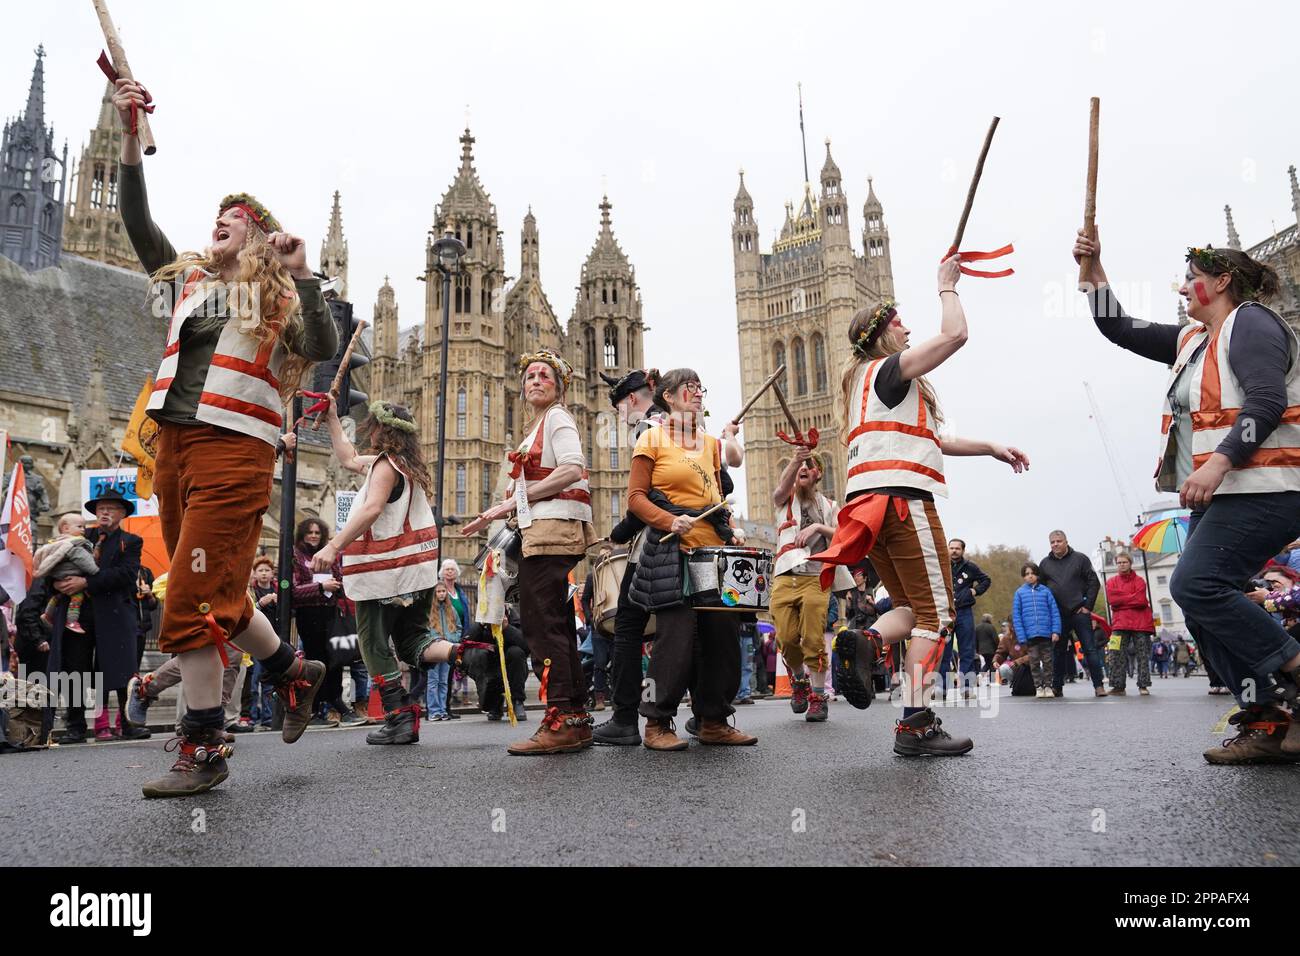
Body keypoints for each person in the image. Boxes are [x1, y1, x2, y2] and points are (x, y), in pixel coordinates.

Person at [111, 76, 338, 795]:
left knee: (188, 599)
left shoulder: (271, 298)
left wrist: (302, 274)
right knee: (216, 591)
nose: (218, 220)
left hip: (235, 452)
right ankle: (292, 672)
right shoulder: (188, 285)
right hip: (175, 448)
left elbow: (323, 341)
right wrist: (127, 135)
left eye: (233, 217)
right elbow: (140, 225)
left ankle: (203, 748)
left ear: (259, 237)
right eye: (216, 214)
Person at [1077, 229, 1300, 763]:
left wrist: (1220, 461)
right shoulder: (1193, 340)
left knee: (1196, 583)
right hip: (1223, 494)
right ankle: (1270, 717)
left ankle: (1292, 672)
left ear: (1222, 282)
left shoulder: (1252, 324)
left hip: (1269, 485)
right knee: (1199, 604)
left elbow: (1266, 400)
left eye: (1192, 280)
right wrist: (1094, 275)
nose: (1182, 288)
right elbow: (1121, 328)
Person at [812, 256, 1030, 755]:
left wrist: (991, 447)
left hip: (867, 506)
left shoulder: (863, 386)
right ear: (882, 335)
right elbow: (954, 336)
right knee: (939, 617)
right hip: (904, 503)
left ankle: (865, 643)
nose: (907, 329)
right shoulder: (890, 370)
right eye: (898, 323)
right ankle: (915, 723)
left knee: (911, 609)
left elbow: (934, 440)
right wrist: (946, 287)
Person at [461, 349, 599, 754]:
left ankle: (558, 718)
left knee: (543, 627)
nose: (536, 380)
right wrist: (496, 512)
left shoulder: (557, 417)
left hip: (553, 532)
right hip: (539, 533)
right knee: (553, 624)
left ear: (559, 388)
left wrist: (513, 499)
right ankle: (574, 717)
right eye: (530, 376)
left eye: (545, 376)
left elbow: (573, 468)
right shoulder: (535, 427)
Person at [318, 400, 474, 745]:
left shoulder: (386, 468)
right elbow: (346, 458)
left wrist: (334, 546)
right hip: (415, 574)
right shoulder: (402, 466)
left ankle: (399, 716)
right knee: (411, 640)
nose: (368, 431)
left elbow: (372, 508)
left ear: (382, 429)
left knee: (373, 643)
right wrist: (332, 418)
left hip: (384, 573)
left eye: (372, 425)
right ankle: (465, 654)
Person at [622, 367, 757, 750]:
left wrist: (729, 524)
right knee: (674, 640)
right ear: (668, 396)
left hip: (713, 553)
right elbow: (635, 499)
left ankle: (713, 718)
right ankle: (657, 723)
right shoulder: (652, 438)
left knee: (723, 637)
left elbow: (714, 495)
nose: (697, 393)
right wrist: (669, 520)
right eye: (689, 387)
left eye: (701, 387)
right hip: (671, 550)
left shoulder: (711, 444)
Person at [48, 488, 149, 743]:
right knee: (75, 668)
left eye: (111, 508)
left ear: (122, 513)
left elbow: (125, 575)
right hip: (78, 614)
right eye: (101, 508)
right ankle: (75, 725)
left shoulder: (131, 541)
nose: (104, 511)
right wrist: (57, 583)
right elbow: (56, 560)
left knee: (122, 668)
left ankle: (128, 723)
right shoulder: (82, 536)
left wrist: (85, 583)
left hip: (114, 614)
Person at [770, 449, 839, 723]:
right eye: (799, 466)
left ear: (818, 473)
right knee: (785, 638)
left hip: (815, 577)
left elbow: (843, 534)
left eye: (809, 466)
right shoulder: (785, 500)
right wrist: (797, 458)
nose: (803, 469)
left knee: (813, 638)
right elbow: (778, 491)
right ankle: (799, 681)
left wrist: (819, 529)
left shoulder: (830, 507)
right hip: (785, 575)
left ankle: (818, 697)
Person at [291, 518, 354, 727]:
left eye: (318, 532)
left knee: (334, 660)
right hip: (308, 614)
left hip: (330, 612)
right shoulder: (296, 556)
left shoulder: (329, 555)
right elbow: (293, 591)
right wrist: (320, 587)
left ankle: (335, 705)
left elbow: (339, 578)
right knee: (316, 661)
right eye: (310, 532)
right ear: (303, 534)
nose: (314, 536)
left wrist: (336, 583)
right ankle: (317, 709)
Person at [1036, 531, 1105, 698]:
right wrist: (1046, 612)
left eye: (1059, 541)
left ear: (1066, 541)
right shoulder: (1044, 564)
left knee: (1090, 649)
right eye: (1052, 542)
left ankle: (1099, 686)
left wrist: (1088, 606)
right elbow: (1041, 589)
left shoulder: (1080, 559)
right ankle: (1057, 687)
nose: (1055, 544)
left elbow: (1093, 582)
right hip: (1057, 614)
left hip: (1079, 611)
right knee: (1058, 652)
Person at [33, 513, 99, 635]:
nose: (83, 530)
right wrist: (96, 569)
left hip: (58, 577)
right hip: (70, 575)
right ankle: (72, 621)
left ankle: (47, 615)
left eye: (84, 527)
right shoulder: (75, 545)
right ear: (65, 528)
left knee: (58, 596)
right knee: (77, 597)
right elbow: (89, 566)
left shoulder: (56, 542)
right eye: (80, 526)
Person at [1104, 552, 1155, 696]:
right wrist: (1130, 598)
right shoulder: (1111, 581)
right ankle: (1117, 686)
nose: (1121, 565)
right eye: (1119, 562)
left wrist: (1122, 600)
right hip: (1119, 624)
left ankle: (1143, 685)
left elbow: (1140, 600)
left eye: (1124, 562)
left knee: (1143, 655)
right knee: (1114, 654)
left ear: (1130, 563)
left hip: (1141, 624)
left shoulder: (1140, 581)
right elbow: (1112, 600)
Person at [945, 538, 991, 696]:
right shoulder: (941, 565)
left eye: (957, 548)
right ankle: (941, 687)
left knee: (967, 650)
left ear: (963, 550)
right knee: (944, 649)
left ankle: (966, 687)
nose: (954, 551)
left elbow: (986, 580)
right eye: (951, 548)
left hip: (964, 611)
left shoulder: (970, 567)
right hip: (946, 611)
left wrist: (975, 591)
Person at [1011, 562, 1060, 699]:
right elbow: (1017, 616)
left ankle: (1048, 686)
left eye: (1032, 573)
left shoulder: (1045, 591)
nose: (1030, 576)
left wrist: (1056, 631)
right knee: (1034, 662)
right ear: (1023, 577)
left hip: (1046, 633)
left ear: (1037, 575)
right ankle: (1038, 686)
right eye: (1027, 574)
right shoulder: (1019, 593)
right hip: (1030, 635)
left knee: (1048, 661)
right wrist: (1021, 636)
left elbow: (1054, 612)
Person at [426, 582, 461, 721]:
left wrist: (453, 639)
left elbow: (458, 627)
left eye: (443, 591)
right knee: (433, 681)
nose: (441, 593)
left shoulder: (451, 609)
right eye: (438, 591)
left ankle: (442, 710)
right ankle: (433, 711)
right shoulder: (429, 610)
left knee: (444, 681)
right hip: (434, 649)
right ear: (434, 594)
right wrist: (434, 639)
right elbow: (425, 629)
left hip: (447, 649)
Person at [975, 612, 999, 678]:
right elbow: (995, 639)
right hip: (991, 649)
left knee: (989, 663)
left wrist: (977, 649)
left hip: (981, 650)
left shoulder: (977, 627)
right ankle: (991, 680)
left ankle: (980, 675)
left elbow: (975, 639)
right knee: (991, 663)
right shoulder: (991, 627)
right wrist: (998, 648)